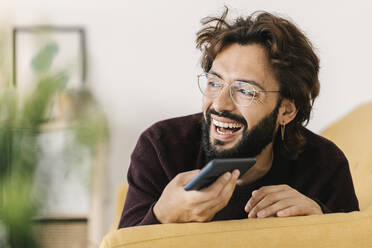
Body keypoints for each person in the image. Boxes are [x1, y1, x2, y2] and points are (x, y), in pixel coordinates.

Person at [118, 8, 359, 228]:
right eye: (214, 83)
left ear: (286, 111)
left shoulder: (324, 165)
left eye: (245, 90)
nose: (220, 104)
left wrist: (323, 221)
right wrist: (163, 214)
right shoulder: (161, 147)